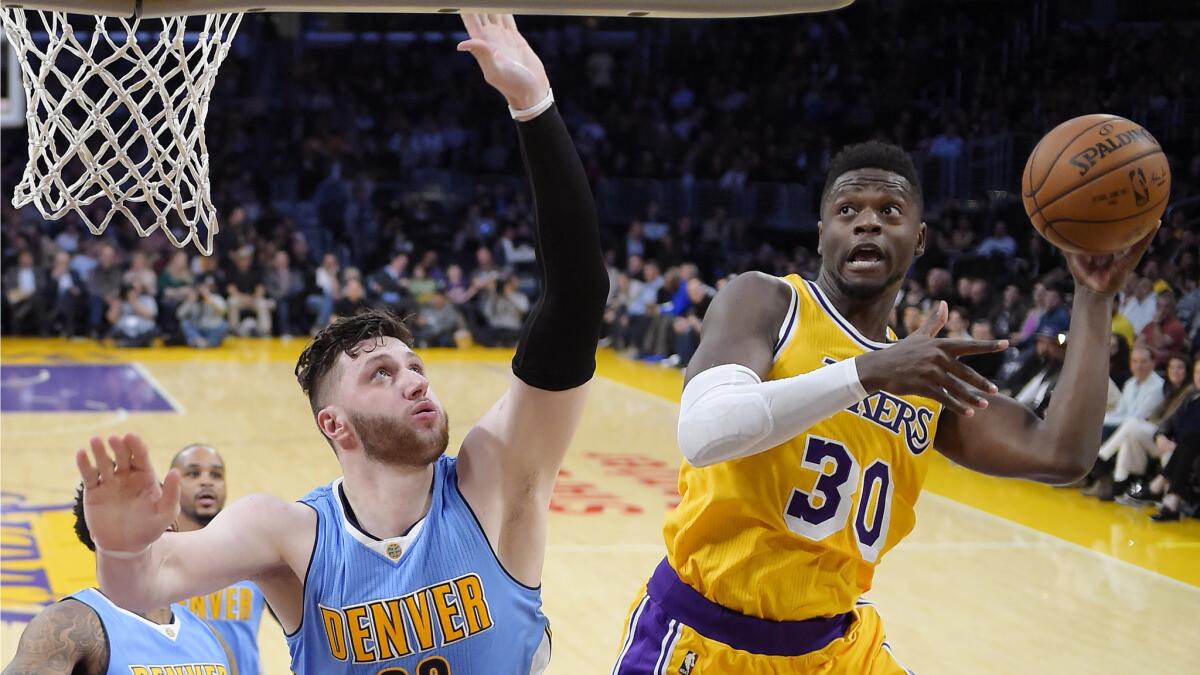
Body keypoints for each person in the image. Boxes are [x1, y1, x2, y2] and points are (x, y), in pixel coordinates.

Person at [73, 14, 606, 674]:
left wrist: (535, 106)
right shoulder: (289, 534)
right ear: (335, 423)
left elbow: (578, 296)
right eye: (381, 373)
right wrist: (123, 550)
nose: (415, 379)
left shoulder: (494, 482)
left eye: (414, 366)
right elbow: (142, 585)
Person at [612, 141, 1152, 673]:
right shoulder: (769, 301)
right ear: (822, 235)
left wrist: (1094, 296)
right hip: (706, 637)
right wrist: (868, 373)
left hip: (835, 649)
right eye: (847, 211)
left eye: (888, 211)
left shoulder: (921, 373)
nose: (867, 223)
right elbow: (703, 433)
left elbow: (1061, 454)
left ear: (918, 240)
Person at [3, 487, 236, 674]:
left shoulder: (210, 636)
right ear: (102, 527)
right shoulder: (69, 626)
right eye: (142, 503)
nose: (159, 511)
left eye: (160, 497)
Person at [173, 444, 269, 675]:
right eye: (193, 474)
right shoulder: (155, 561)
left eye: (216, 475)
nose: (206, 482)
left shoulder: (255, 558)